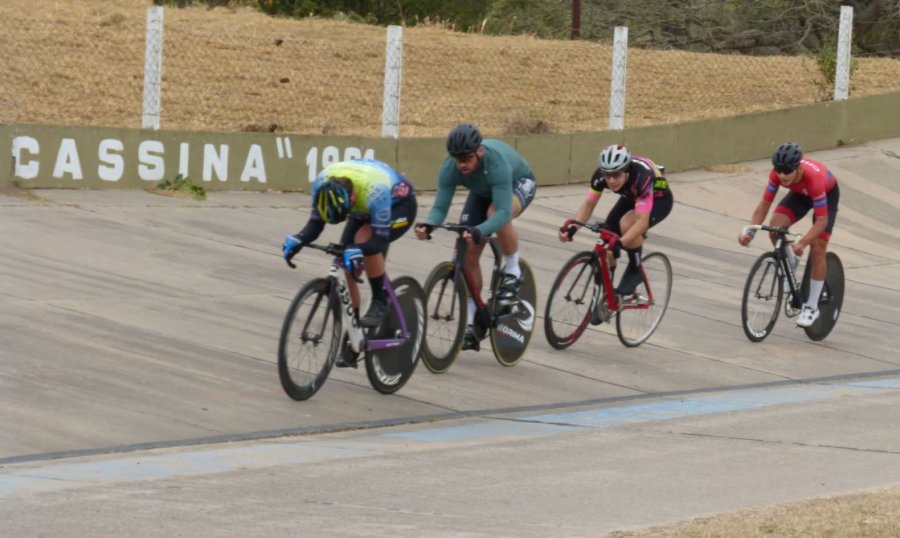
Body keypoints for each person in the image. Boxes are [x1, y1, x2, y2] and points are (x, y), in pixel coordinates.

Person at [414, 123, 537, 351]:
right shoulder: (450, 168)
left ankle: (513, 270)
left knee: (494, 214)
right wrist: (428, 225)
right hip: (482, 191)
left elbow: (501, 213)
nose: (461, 164)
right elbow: (440, 208)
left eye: (466, 158)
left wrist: (480, 230)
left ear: (479, 152)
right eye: (457, 158)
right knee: (468, 254)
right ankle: (471, 323)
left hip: (517, 183)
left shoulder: (496, 163)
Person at [282, 159, 416, 364]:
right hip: (361, 208)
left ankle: (380, 300)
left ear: (351, 198)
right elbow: (315, 225)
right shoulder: (321, 187)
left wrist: (360, 249)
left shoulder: (376, 191)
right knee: (345, 265)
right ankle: (356, 332)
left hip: (398, 205)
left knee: (363, 240)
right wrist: (299, 238)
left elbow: (378, 242)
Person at [558, 144, 673, 322]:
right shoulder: (601, 176)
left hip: (658, 200)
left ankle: (636, 270)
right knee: (606, 243)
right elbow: (588, 205)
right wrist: (574, 227)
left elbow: (641, 221)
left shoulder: (641, 176)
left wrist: (621, 242)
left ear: (626, 170)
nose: (611, 181)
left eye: (616, 175)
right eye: (608, 175)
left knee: (627, 225)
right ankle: (609, 299)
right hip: (630, 197)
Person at [738, 142, 840, 328]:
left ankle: (811, 306)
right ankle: (790, 263)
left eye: (787, 171)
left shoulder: (814, 178)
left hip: (825, 194)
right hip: (800, 194)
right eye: (779, 171)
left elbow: (821, 222)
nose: (782, 176)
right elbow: (764, 205)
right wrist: (751, 231)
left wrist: (803, 242)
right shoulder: (777, 175)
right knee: (775, 227)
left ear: (798, 167)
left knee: (818, 247)